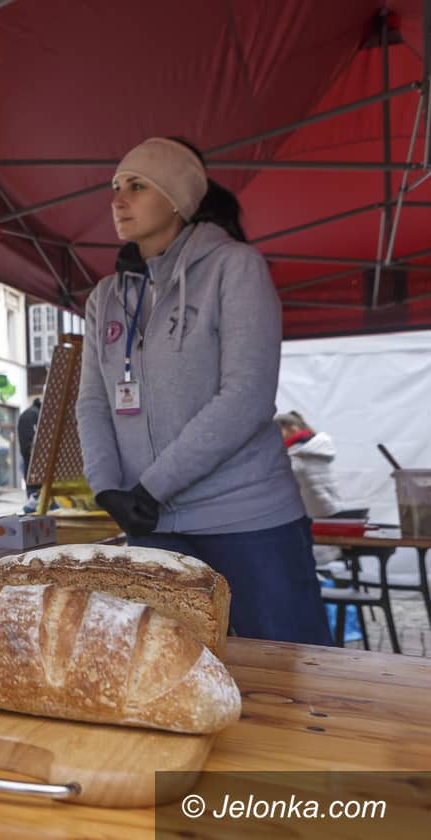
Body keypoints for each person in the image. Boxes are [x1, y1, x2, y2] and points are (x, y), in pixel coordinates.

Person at [76, 136, 331, 646]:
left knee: (291, 676)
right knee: (165, 674)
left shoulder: (234, 269)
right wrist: (106, 488)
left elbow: (247, 397)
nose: (117, 199)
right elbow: (93, 400)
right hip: (151, 524)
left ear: (177, 199)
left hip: (247, 517)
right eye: (115, 187)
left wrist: (151, 488)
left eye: (137, 186)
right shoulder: (106, 297)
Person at [274, 412, 364, 519]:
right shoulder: (313, 446)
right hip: (328, 508)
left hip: (318, 513)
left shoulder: (300, 450)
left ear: (293, 428)